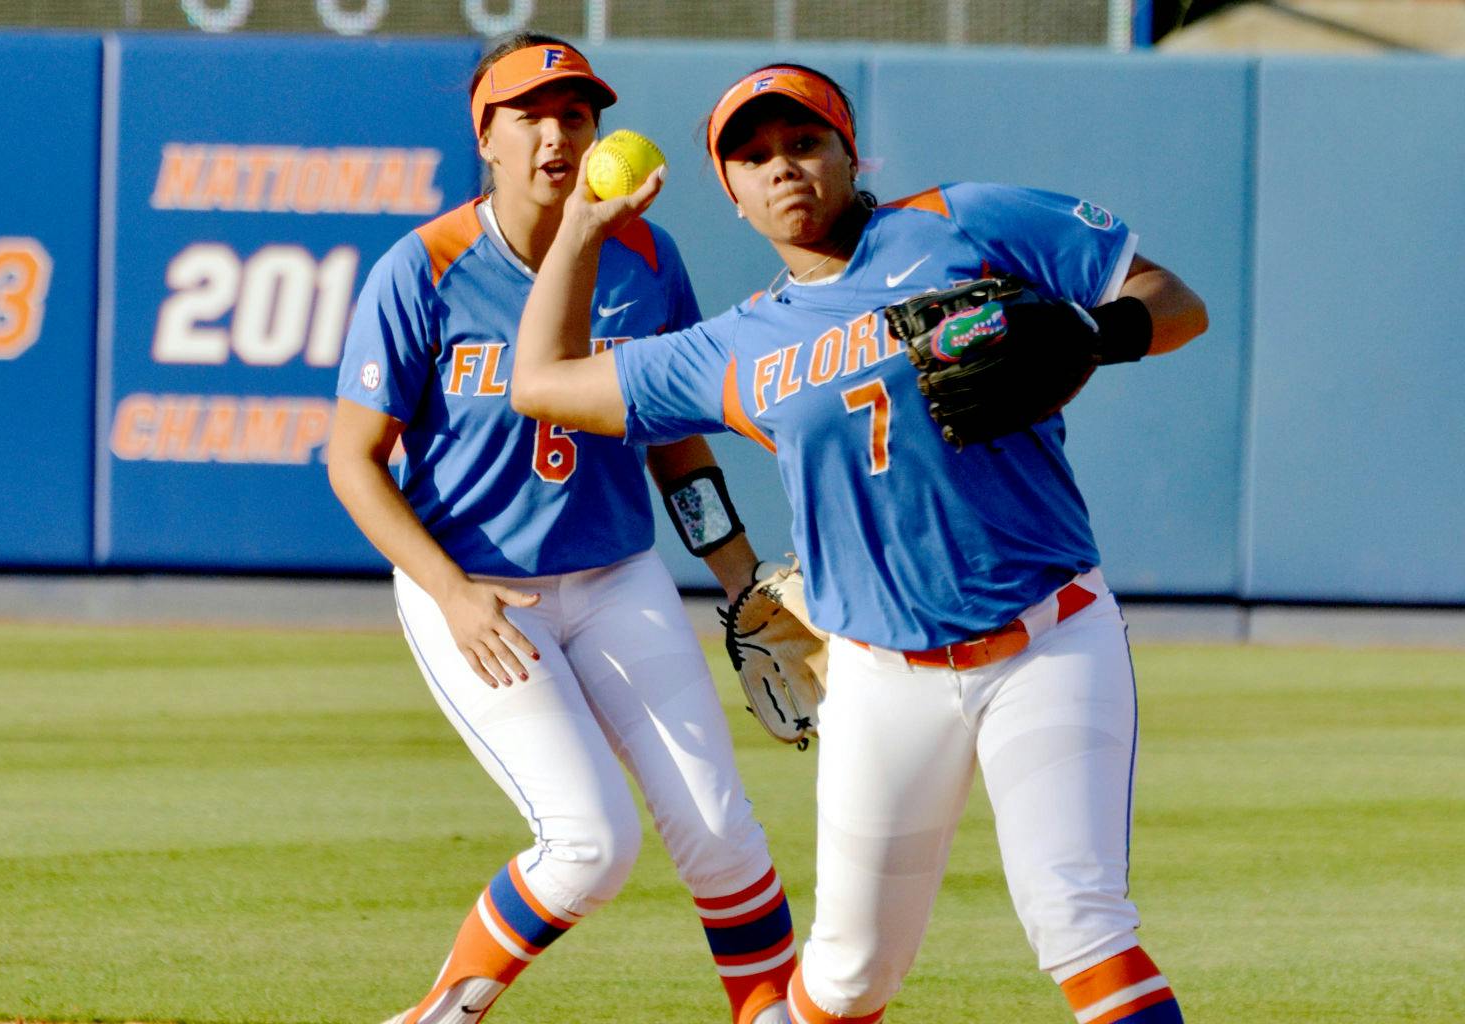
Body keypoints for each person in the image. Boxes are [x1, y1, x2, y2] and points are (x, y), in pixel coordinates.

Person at [511, 64, 1208, 1024]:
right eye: (753, 158)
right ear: (733, 195)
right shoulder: (734, 347)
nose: (783, 170)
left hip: (1049, 637)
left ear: (849, 152)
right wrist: (585, 233)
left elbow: (1174, 298)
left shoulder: (962, 223)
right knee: (846, 978)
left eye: (803, 144)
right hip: (882, 677)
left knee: (1079, 920)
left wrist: (1099, 328)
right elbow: (539, 381)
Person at [328, 36, 797, 1024]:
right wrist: (448, 594)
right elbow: (352, 460)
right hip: (481, 589)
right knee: (589, 843)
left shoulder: (645, 258)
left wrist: (745, 580)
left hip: (619, 577)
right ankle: (440, 1015)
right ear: (486, 137)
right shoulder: (423, 270)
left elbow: (674, 444)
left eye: (575, 115)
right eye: (529, 114)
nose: (555, 132)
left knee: (723, 835)